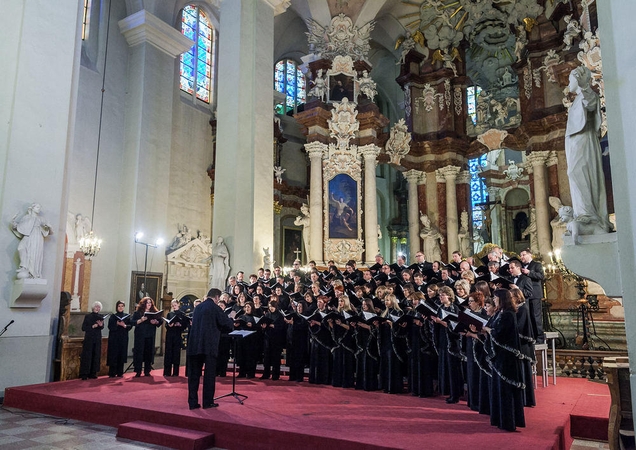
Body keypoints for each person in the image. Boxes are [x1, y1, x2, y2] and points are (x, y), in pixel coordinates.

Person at [565, 65, 612, 235]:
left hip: (584, 141)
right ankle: (583, 212)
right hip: (575, 143)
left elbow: (591, 104)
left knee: (579, 173)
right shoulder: (577, 99)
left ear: (578, 80)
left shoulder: (587, 95)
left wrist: (585, 85)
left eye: (571, 79)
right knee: (574, 174)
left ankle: (588, 215)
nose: (568, 82)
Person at [483, 289, 526, 431]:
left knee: (506, 390)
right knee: (499, 388)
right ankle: (499, 419)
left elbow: (499, 333)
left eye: (495, 298)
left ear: (502, 299)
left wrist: (488, 330)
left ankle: (509, 421)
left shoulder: (508, 314)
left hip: (506, 357)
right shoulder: (499, 313)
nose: (494, 300)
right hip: (499, 356)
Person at [187, 288, 234, 410]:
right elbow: (227, 325)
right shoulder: (215, 308)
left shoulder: (198, 308)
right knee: (209, 375)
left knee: (194, 375)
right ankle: (207, 402)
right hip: (209, 346)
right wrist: (231, 319)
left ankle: (193, 402)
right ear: (217, 297)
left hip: (195, 346)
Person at [10, 203, 52, 279]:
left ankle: (32, 273)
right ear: (32, 208)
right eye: (37, 207)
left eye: (40, 207)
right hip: (28, 235)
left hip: (37, 237)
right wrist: (14, 224)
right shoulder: (26, 217)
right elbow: (21, 227)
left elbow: (50, 231)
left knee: (34, 254)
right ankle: (24, 266)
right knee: (21, 248)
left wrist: (49, 227)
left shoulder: (41, 219)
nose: (39, 209)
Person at [131, 297, 162, 377]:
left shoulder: (154, 312)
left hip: (150, 335)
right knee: (139, 352)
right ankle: (138, 370)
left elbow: (160, 321)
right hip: (140, 335)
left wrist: (156, 322)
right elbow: (132, 322)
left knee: (148, 352)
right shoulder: (138, 312)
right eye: (147, 302)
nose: (149, 304)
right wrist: (141, 320)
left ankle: (147, 370)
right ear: (143, 304)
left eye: (150, 303)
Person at [163, 299, 190, 377]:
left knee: (176, 353)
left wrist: (180, 325)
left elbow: (184, 326)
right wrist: (169, 325)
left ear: (178, 305)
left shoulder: (182, 314)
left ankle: (175, 372)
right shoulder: (169, 314)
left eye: (175, 305)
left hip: (177, 335)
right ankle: (167, 372)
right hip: (170, 335)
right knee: (168, 353)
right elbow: (166, 325)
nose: (173, 307)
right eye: (172, 305)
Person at [79, 301, 104, 380]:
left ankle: (93, 372)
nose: (97, 308)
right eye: (96, 307)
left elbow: (102, 327)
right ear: (93, 307)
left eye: (99, 307)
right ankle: (85, 373)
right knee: (87, 355)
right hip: (89, 338)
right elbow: (83, 328)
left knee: (96, 355)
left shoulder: (101, 316)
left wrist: (101, 325)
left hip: (97, 338)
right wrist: (92, 326)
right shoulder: (88, 316)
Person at [107, 301, 132, 378]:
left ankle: (120, 372)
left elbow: (130, 326)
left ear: (124, 307)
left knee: (121, 354)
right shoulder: (113, 316)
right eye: (119, 306)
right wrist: (116, 324)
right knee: (113, 354)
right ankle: (112, 372)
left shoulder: (127, 316)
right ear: (116, 307)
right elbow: (110, 327)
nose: (120, 308)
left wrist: (124, 325)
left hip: (123, 338)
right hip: (114, 338)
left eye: (122, 306)